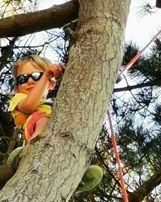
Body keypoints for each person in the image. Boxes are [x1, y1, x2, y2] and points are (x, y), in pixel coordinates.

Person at [8, 53, 103, 193]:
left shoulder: (51, 107)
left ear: (51, 84)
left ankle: (73, 175)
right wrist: (45, 76)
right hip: (33, 129)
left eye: (36, 76)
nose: (29, 81)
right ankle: (33, 149)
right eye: (23, 78)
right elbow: (29, 106)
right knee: (42, 119)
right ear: (16, 88)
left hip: (55, 139)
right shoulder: (18, 98)